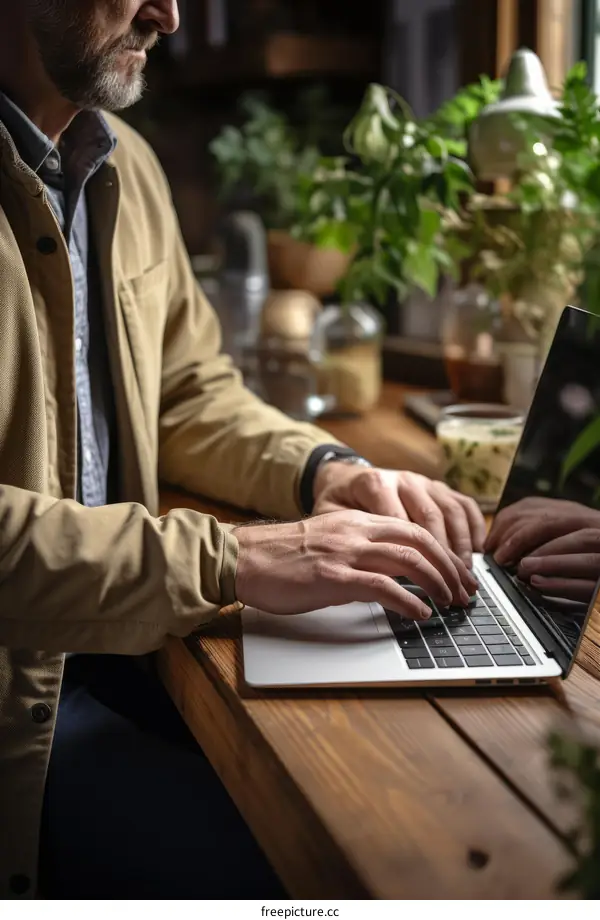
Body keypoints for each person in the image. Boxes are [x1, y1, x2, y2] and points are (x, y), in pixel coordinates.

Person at [0, 0, 484, 899]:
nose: (169, 15)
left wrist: (325, 472)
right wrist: (230, 558)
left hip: (121, 651)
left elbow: (187, 393)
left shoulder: (128, 166)